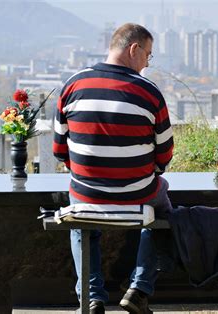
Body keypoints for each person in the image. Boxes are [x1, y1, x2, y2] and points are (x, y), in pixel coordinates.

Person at [53, 23, 173, 314]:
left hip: (86, 192)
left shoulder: (73, 85)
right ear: (133, 49)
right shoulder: (150, 93)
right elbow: (164, 157)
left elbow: (59, 151)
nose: (147, 62)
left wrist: (90, 173)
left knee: (82, 223)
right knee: (165, 217)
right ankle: (140, 289)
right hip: (138, 193)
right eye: (148, 54)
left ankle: (92, 296)